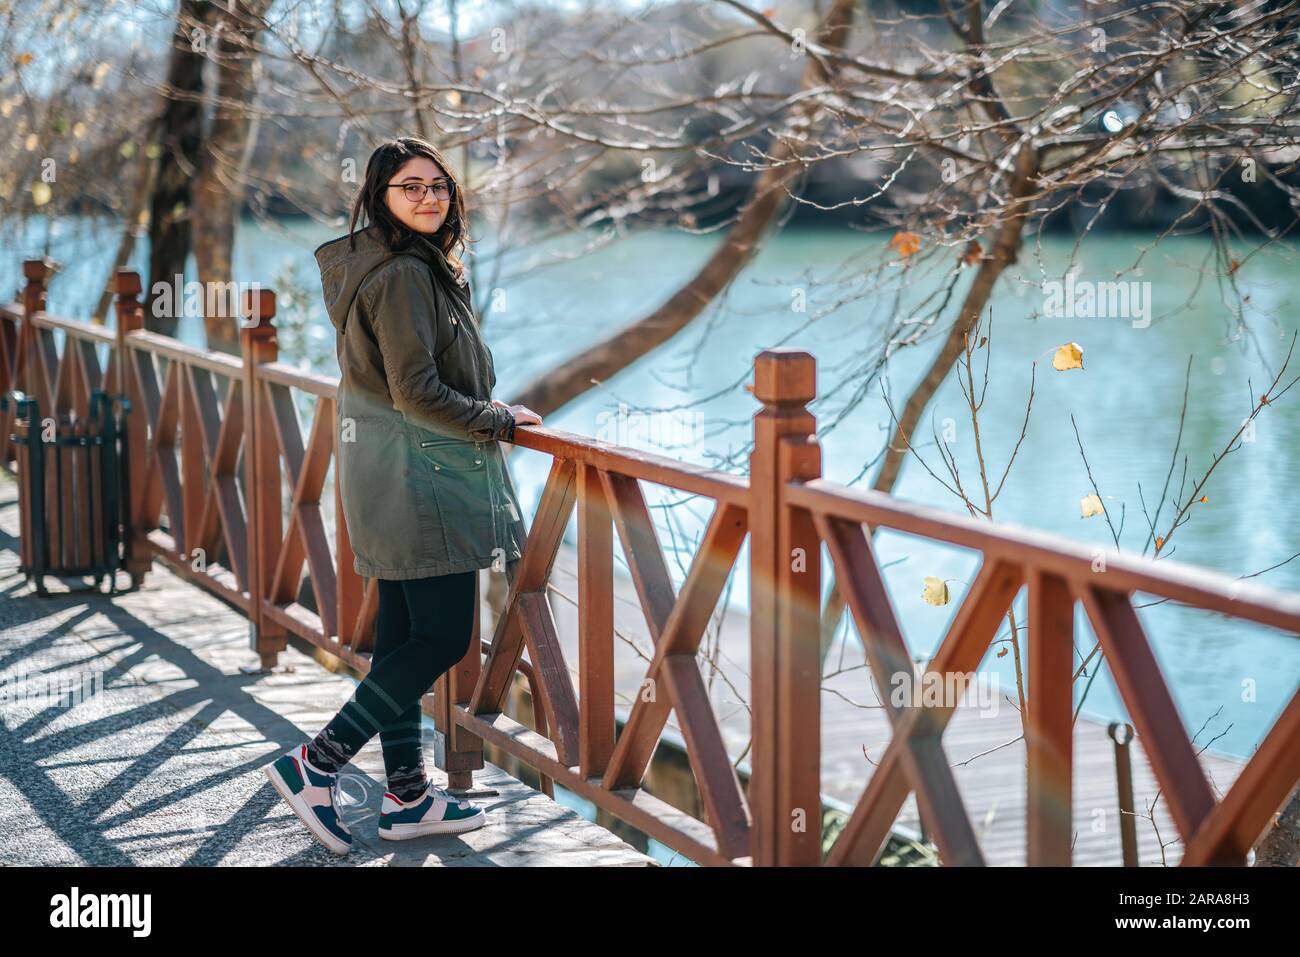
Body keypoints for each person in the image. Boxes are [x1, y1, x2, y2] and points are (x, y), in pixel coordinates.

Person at [262, 135, 542, 855]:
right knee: (444, 636)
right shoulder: (404, 276)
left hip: (391, 471)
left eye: (438, 185)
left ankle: (408, 796)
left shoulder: (398, 267)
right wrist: (498, 420)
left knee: (400, 638)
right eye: (409, 186)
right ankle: (316, 762)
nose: (428, 197)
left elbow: (414, 378)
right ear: (380, 198)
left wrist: (486, 403)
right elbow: (416, 392)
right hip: (424, 478)